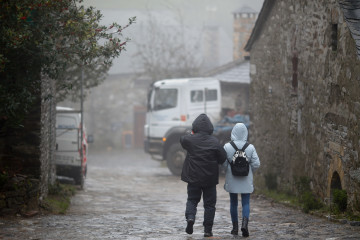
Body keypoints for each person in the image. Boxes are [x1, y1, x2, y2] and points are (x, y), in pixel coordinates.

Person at [180, 113, 227, 237]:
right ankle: (207, 230)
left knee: (192, 200)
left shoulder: (189, 139)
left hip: (193, 177)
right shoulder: (215, 142)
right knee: (210, 205)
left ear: (195, 127)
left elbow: (182, 139)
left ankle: (190, 218)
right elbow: (223, 158)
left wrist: (191, 134)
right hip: (210, 179)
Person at [222, 123, 260, 237]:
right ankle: (245, 225)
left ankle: (235, 228)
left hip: (232, 178)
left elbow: (223, 163)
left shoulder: (227, 146)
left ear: (233, 131)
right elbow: (257, 164)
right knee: (246, 203)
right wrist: (249, 171)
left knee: (233, 203)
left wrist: (228, 169)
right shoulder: (250, 147)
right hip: (246, 179)